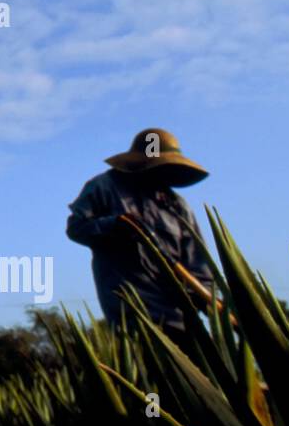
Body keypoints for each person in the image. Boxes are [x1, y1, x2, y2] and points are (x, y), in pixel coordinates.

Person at [66, 128, 216, 352]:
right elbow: (77, 228)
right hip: (132, 316)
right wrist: (114, 226)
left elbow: (199, 265)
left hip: (181, 320)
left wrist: (208, 300)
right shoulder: (104, 188)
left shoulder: (177, 206)